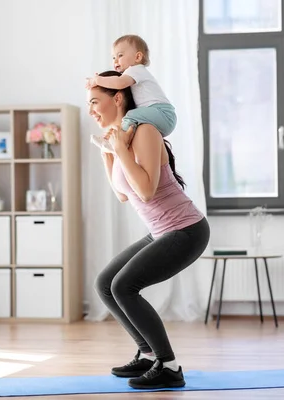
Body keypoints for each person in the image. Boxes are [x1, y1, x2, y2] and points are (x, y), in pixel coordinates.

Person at [87, 70, 210, 390]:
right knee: (105, 284)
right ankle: (146, 353)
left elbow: (145, 190)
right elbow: (123, 194)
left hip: (186, 230)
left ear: (117, 98)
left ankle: (169, 365)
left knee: (124, 285)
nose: (91, 111)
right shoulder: (121, 138)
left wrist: (120, 151)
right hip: (161, 230)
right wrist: (108, 153)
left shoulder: (145, 132)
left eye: (94, 102)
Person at [87, 34, 176, 153]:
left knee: (130, 116)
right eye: (113, 58)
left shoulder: (136, 70)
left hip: (163, 113)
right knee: (131, 121)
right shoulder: (131, 75)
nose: (116, 61)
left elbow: (118, 83)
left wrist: (97, 80)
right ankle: (115, 140)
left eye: (120, 55)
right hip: (161, 115)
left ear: (138, 57)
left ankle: (118, 143)